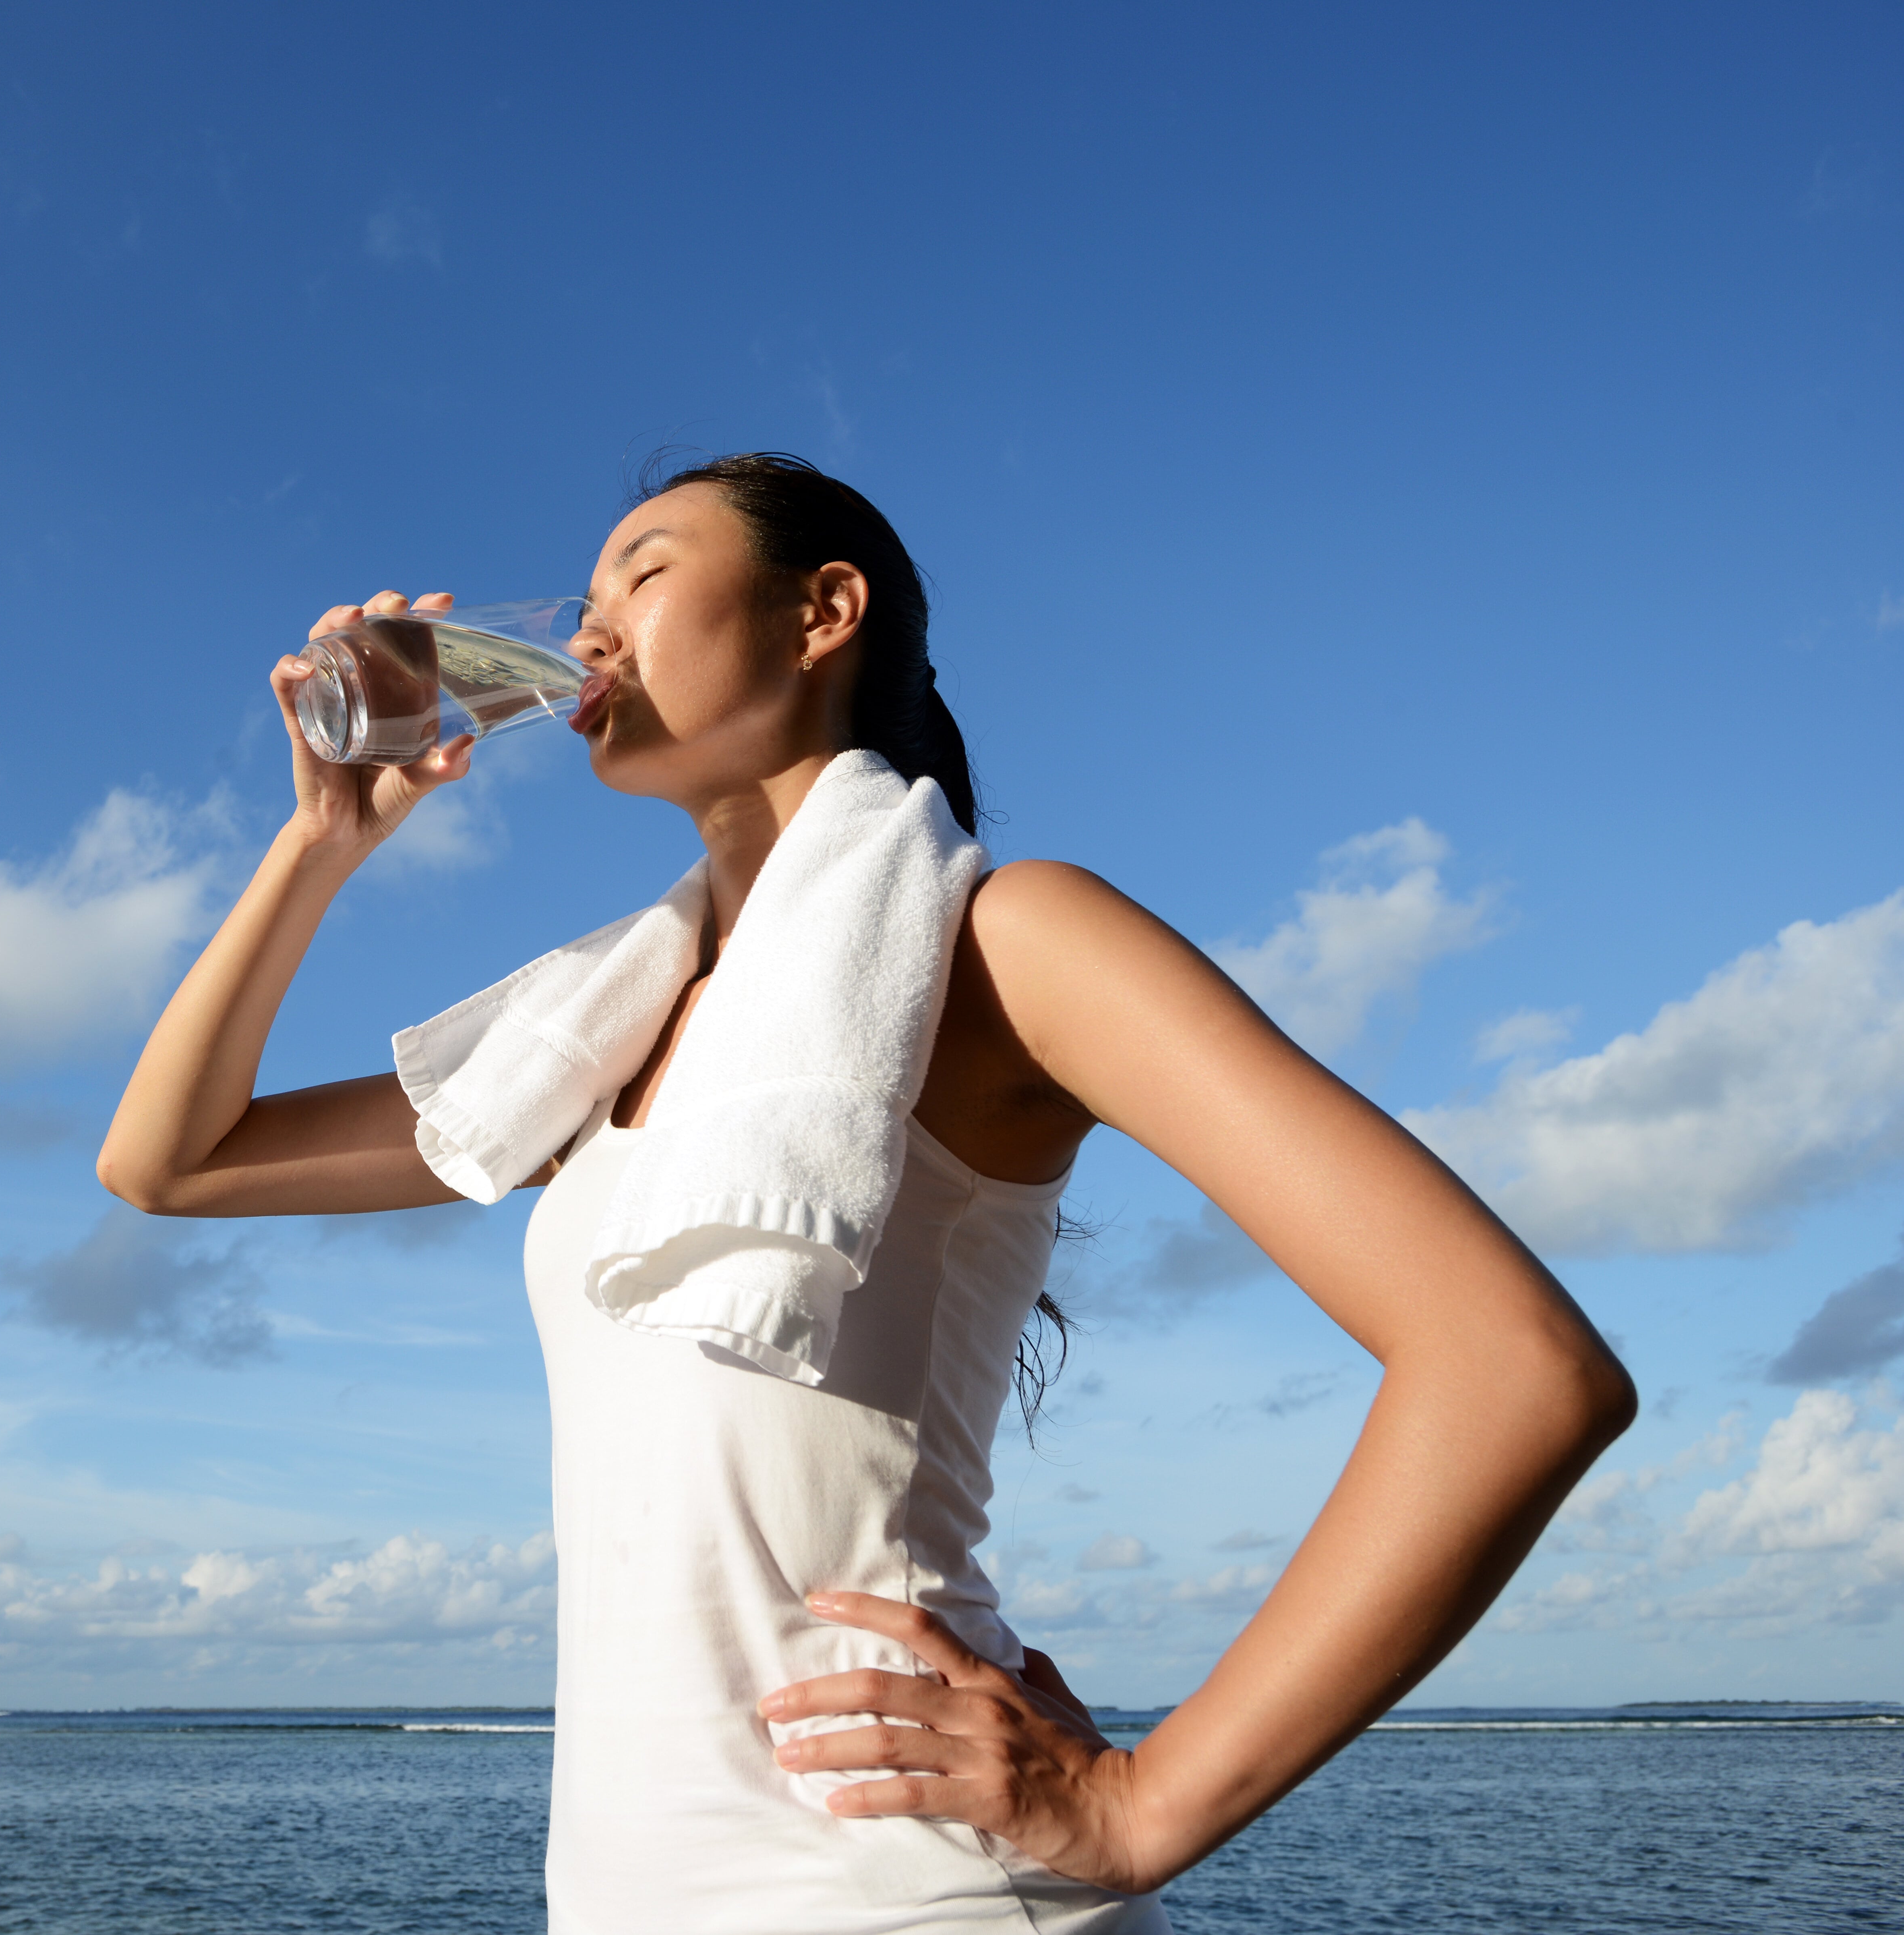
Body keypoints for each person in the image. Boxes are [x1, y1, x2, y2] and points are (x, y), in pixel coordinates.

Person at [98, 454, 1635, 1932]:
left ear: (824, 611)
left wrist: (1141, 1804)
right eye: (576, 602)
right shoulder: (591, 1039)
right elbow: (172, 1162)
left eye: (640, 574)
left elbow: (1514, 1367)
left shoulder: (1004, 941)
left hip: (915, 1898)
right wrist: (319, 842)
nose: (582, 636)